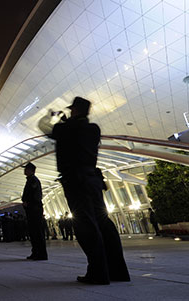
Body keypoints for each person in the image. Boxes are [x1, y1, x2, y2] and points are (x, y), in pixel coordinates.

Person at [47, 96, 130, 285]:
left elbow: (48, 129)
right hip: (93, 179)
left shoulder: (65, 129)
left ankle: (98, 273)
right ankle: (118, 271)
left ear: (74, 110)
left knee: (85, 225)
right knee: (103, 222)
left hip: (76, 181)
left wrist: (56, 118)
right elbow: (78, 136)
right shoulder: (94, 129)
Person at [21, 162, 48, 261]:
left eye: (26, 169)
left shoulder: (33, 180)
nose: (24, 170)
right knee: (33, 232)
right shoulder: (30, 180)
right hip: (32, 209)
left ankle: (41, 254)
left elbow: (36, 196)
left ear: (31, 170)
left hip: (34, 209)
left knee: (37, 232)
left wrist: (28, 203)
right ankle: (35, 252)